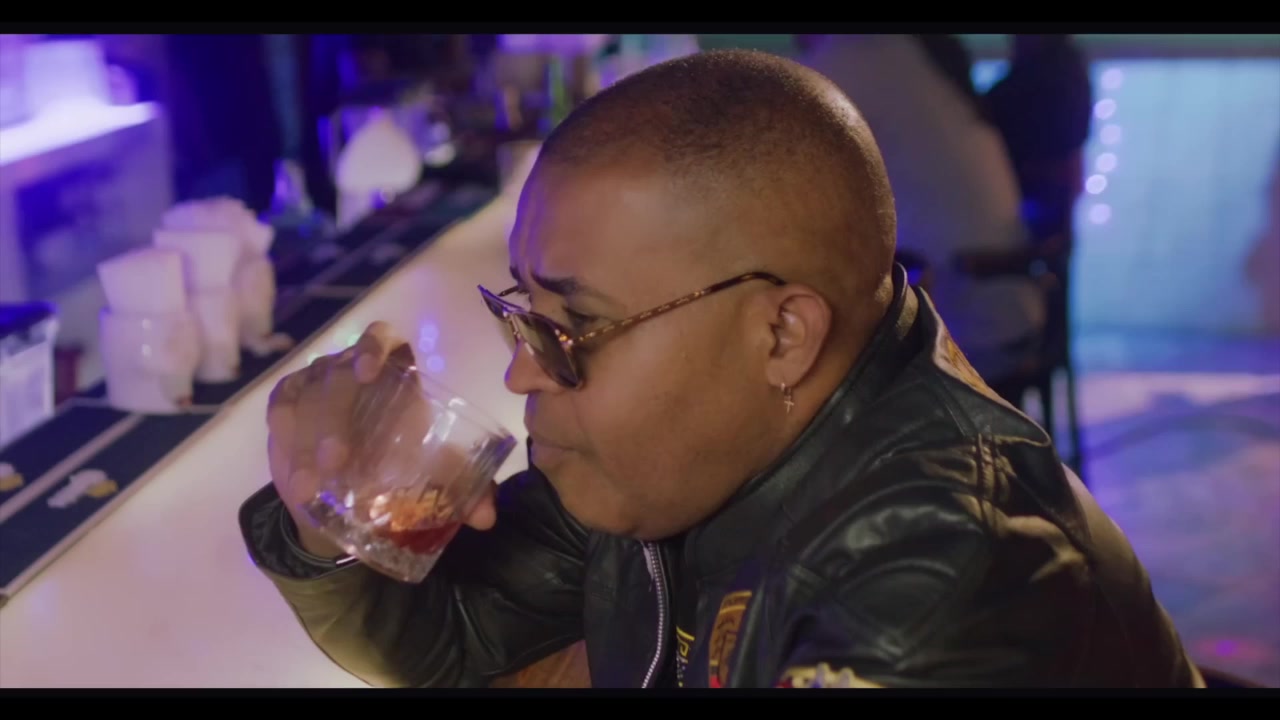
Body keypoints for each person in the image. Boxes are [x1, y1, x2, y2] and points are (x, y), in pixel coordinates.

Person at [239, 49, 1204, 689]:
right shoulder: (683, 448)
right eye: (525, 315)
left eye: (577, 324)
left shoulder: (941, 581)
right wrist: (325, 514)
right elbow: (449, 636)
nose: (525, 376)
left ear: (782, 335)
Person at [799, 35, 1048, 390]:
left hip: (959, 326)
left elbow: (782, 182)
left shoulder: (854, 59)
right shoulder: (915, 55)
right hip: (1008, 310)